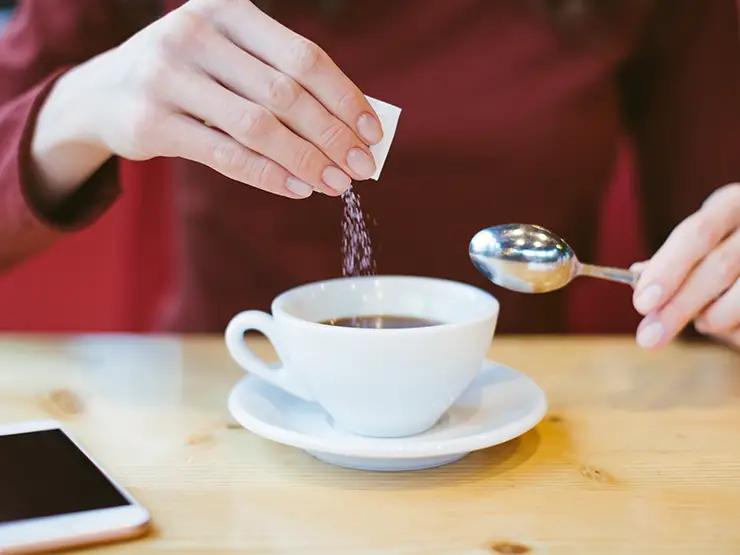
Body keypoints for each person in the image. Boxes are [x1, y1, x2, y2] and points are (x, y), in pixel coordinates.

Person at [0, 0, 737, 349]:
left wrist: (721, 276)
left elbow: (706, 235)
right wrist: (81, 105)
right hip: (220, 408)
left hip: (525, 424)